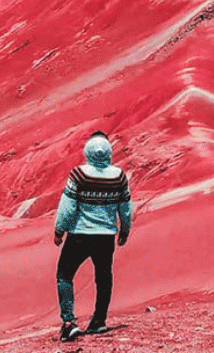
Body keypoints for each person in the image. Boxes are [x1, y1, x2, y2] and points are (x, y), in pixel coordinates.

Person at [53, 132, 134, 342]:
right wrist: (124, 230)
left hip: (79, 235)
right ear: (108, 152)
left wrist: (59, 230)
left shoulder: (79, 175)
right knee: (104, 277)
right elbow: (125, 208)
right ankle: (99, 321)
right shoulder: (119, 176)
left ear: (87, 152)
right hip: (106, 236)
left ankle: (69, 323)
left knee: (64, 275)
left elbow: (67, 207)